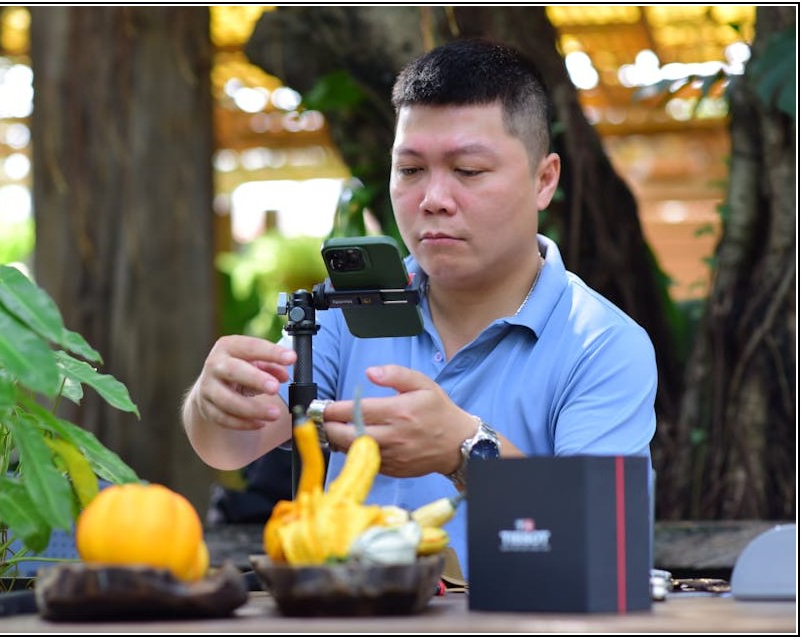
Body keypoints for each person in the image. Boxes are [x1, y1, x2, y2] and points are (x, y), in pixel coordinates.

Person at [182, 39, 657, 579]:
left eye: (469, 171)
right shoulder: (344, 308)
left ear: (544, 180)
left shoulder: (601, 342)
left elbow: (606, 537)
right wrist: (213, 400)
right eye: (410, 170)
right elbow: (227, 446)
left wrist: (466, 451)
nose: (434, 198)